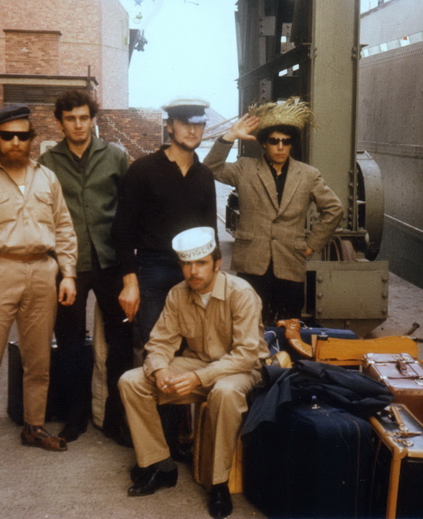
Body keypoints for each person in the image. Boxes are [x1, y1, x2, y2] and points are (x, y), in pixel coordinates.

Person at [0, 104, 78, 467]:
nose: (16, 142)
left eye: (24, 136)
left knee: (38, 360)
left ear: (31, 138)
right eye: (8, 136)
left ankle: (33, 426)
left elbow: (64, 228)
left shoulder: (47, 178)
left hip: (42, 272)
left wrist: (68, 273)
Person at [118, 227, 268, 519]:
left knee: (224, 392)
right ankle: (160, 465)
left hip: (240, 370)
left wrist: (200, 378)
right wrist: (160, 369)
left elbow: (246, 354)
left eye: (201, 263)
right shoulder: (178, 294)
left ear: (217, 263)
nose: (193, 271)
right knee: (132, 382)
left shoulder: (241, 293)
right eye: (187, 264)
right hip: (197, 365)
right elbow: (160, 344)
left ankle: (219, 483)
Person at [113, 97, 218, 459]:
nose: (192, 130)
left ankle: (179, 434)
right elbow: (122, 230)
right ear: (169, 127)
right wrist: (130, 281)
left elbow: (209, 230)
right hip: (154, 269)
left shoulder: (204, 176)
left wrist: (213, 275)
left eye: (198, 124)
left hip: (194, 271)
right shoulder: (143, 170)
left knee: (191, 350)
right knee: (156, 350)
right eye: (184, 123)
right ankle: (157, 443)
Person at [203, 97, 344, 356]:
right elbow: (209, 168)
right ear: (264, 143)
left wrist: (311, 245)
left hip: (290, 261)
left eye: (286, 141)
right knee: (248, 324)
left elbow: (334, 209)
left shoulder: (308, 174)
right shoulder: (245, 169)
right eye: (274, 141)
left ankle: (286, 372)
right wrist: (229, 136)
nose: (280, 147)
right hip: (252, 263)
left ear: (291, 143)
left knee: (290, 329)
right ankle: (252, 371)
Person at [38, 90, 133, 445]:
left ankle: (116, 417)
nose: (78, 125)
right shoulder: (47, 163)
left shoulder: (115, 157)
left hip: (110, 261)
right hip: (69, 266)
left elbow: (128, 210)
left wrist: (130, 265)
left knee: (120, 341)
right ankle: (75, 416)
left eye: (83, 118)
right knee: (71, 342)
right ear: (60, 123)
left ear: (93, 119)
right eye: (70, 119)